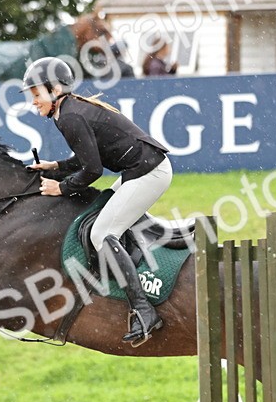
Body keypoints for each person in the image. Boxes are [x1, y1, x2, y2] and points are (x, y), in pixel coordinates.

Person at [23, 57, 171, 345]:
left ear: (54, 89)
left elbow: (92, 170)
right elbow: (86, 159)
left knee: (102, 232)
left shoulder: (70, 116)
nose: (33, 102)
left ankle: (144, 311)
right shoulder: (68, 110)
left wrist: (61, 189)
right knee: (102, 220)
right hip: (139, 169)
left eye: (36, 94)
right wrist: (55, 166)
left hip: (149, 173)